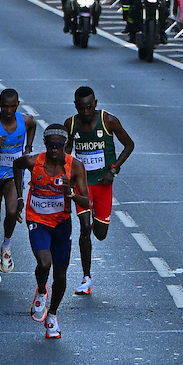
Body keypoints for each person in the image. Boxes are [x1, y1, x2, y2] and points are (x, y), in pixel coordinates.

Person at [66, 85, 135, 299]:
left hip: (103, 183)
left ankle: (97, 217)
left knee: (100, 234)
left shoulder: (109, 121)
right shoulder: (71, 124)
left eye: (89, 107)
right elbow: (67, 151)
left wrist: (113, 170)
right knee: (84, 228)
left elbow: (129, 145)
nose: (86, 112)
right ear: (75, 106)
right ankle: (86, 277)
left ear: (95, 104)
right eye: (81, 108)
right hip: (82, 184)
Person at [24, 128, 89, 340]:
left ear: (65, 145)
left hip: (61, 224)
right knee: (44, 262)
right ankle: (41, 290)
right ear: (45, 144)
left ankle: (52, 315)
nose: (54, 150)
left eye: (59, 146)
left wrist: (71, 193)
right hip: (38, 220)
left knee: (60, 275)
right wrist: (18, 197)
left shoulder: (75, 166)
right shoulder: (34, 162)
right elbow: (17, 165)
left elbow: (86, 202)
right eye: (51, 146)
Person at [0, 88, 35, 287]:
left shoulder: (25, 120)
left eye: (12, 106)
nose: (9, 111)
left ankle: (6, 246)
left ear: (17, 105)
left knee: (12, 210)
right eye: (5, 106)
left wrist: (28, 148)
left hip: (13, 174)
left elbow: (33, 125)